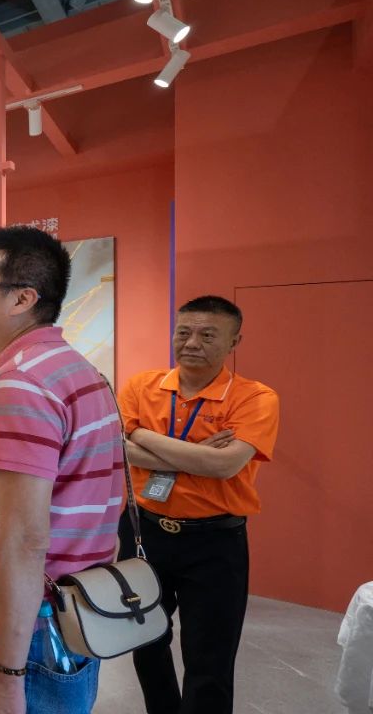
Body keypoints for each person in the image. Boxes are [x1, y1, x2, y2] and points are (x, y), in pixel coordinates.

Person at [0, 226, 125, 714]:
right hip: (72, 613)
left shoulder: (22, 383)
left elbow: (26, 537)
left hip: (27, 635)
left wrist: (5, 675)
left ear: (22, 298)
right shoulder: (78, 370)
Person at [117, 295, 280, 714]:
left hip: (215, 542)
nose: (192, 343)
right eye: (184, 332)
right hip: (143, 533)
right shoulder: (141, 386)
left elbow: (225, 465)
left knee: (210, 658)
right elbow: (116, 448)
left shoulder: (255, 397)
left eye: (208, 335)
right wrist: (196, 454)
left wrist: (141, 436)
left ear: (234, 342)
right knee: (144, 640)